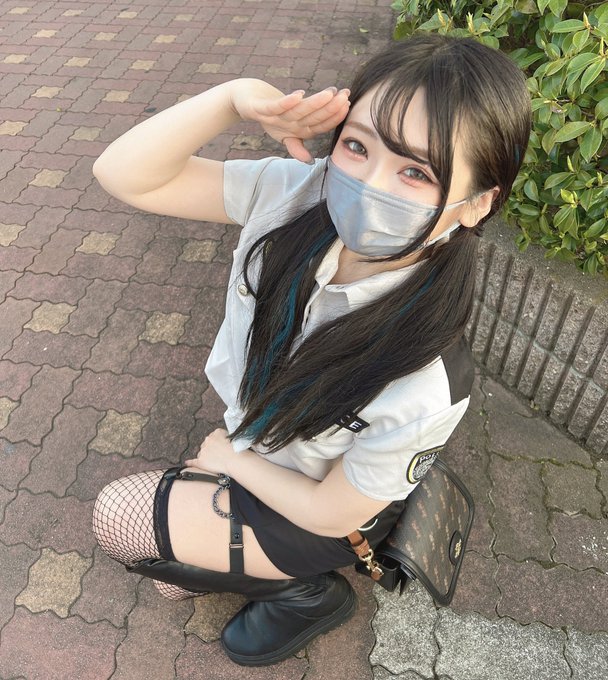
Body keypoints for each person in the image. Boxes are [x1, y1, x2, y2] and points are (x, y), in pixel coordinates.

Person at [91, 33, 531, 666]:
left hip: (322, 514)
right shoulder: (295, 197)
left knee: (120, 520)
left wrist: (229, 459)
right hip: (258, 442)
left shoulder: (428, 379)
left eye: (416, 172)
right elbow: (125, 175)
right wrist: (234, 98)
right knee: (166, 569)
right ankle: (260, 565)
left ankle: (306, 595)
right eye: (357, 146)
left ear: (478, 204)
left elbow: (331, 512)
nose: (367, 183)